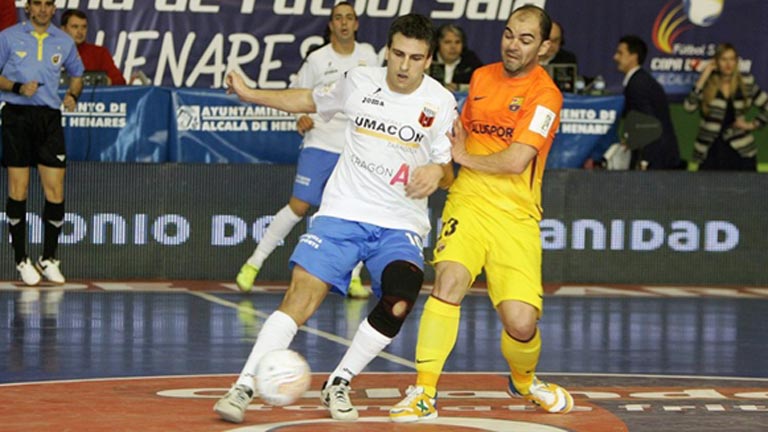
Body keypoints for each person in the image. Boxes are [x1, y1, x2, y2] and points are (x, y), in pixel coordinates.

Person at [214, 13, 457, 424]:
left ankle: (339, 381)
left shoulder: (441, 102)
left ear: (429, 60)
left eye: (415, 58)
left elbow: (448, 172)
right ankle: (243, 386)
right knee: (301, 295)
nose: (404, 66)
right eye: (398, 54)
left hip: (400, 221)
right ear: (387, 51)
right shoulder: (359, 81)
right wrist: (251, 93)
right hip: (344, 211)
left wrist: (437, 172)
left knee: (400, 297)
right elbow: (308, 99)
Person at [389, 5, 573, 423]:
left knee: (521, 323)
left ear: (544, 48)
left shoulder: (546, 95)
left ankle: (524, 381)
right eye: (509, 34)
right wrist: (444, 168)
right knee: (449, 280)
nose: (513, 45)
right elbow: (458, 137)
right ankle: (424, 391)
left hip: (515, 214)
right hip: (468, 202)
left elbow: (515, 160)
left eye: (526, 39)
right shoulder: (481, 78)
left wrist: (462, 156)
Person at [235, 2, 377, 299]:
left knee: (360, 212)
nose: (344, 23)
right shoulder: (317, 59)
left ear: (356, 24)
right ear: (331, 25)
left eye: (349, 18)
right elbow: (297, 94)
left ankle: (353, 277)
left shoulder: (369, 55)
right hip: (321, 142)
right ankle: (253, 263)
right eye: (338, 18)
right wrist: (300, 116)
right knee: (299, 206)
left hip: (356, 146)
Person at [0, 0, 84, 285]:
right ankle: (21, 259)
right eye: (37, 3)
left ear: (54, 9)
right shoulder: (8, 37)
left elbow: (77, 75)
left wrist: (72, 95)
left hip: (49, 119)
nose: (43, 9)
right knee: (18, 189)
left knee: (56, 191)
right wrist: (17, 87)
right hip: (17, 115)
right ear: (28, 8)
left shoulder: (64, 41)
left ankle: (48, 258)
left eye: (49, 4)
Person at [683, 43, 768, 171]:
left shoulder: (746, 82)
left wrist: (752, 125)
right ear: (716, 62)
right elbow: (689, 107)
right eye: (723, 59)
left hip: (740, 148)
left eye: (732, 59)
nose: (728, 64)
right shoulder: (707, 83)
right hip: (710, 150)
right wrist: (704, 76)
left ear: (736, 61)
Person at [613, 35, 682, 170]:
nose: (615, 57)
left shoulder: (637, 84)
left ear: (633, 57)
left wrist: (645, 160)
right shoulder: (639, 81)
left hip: (655, 159)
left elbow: (648, 124)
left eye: (620, 53)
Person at [60, 9, 126, 85]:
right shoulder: (51, 52)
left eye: (84, 27)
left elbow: (120, 81)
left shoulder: (99, 53)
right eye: (75, 27)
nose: (80, 32)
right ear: (63, 29)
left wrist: (103, 81)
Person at [427, 24, 483, 92]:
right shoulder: (427, 61)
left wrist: (459, 87)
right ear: (438, 43)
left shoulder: (471, 63)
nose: (453, 47)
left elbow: (482, 86)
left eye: (457, 42)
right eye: (447, 42)